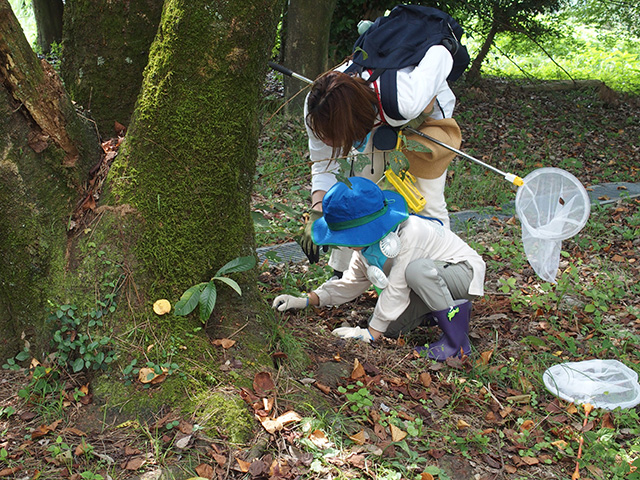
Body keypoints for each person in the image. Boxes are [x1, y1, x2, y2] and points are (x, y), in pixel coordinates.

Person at [275, 177, 485, 361]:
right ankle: (437, 312)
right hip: (434, 282)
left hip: (463, 273)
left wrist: (371, 334)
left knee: (416, 271)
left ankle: (456, 344)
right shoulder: (365, 250)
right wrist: (306, 299)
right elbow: (349, 283)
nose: (345, 244)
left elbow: (397, 287)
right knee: (393, 328)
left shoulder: (411, 232)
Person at [299, 42, 463, 277]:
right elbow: (324, 165)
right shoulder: (317, 107)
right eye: (323, 136)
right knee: (359, 190)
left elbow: (441, 53)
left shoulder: (406, 99)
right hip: (373, 113)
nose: (326, 143)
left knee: (425, 199)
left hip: (423, 119)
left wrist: (428, 96)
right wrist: (317, 212)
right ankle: (344, 273)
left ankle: (444, 271)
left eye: (333, 139)